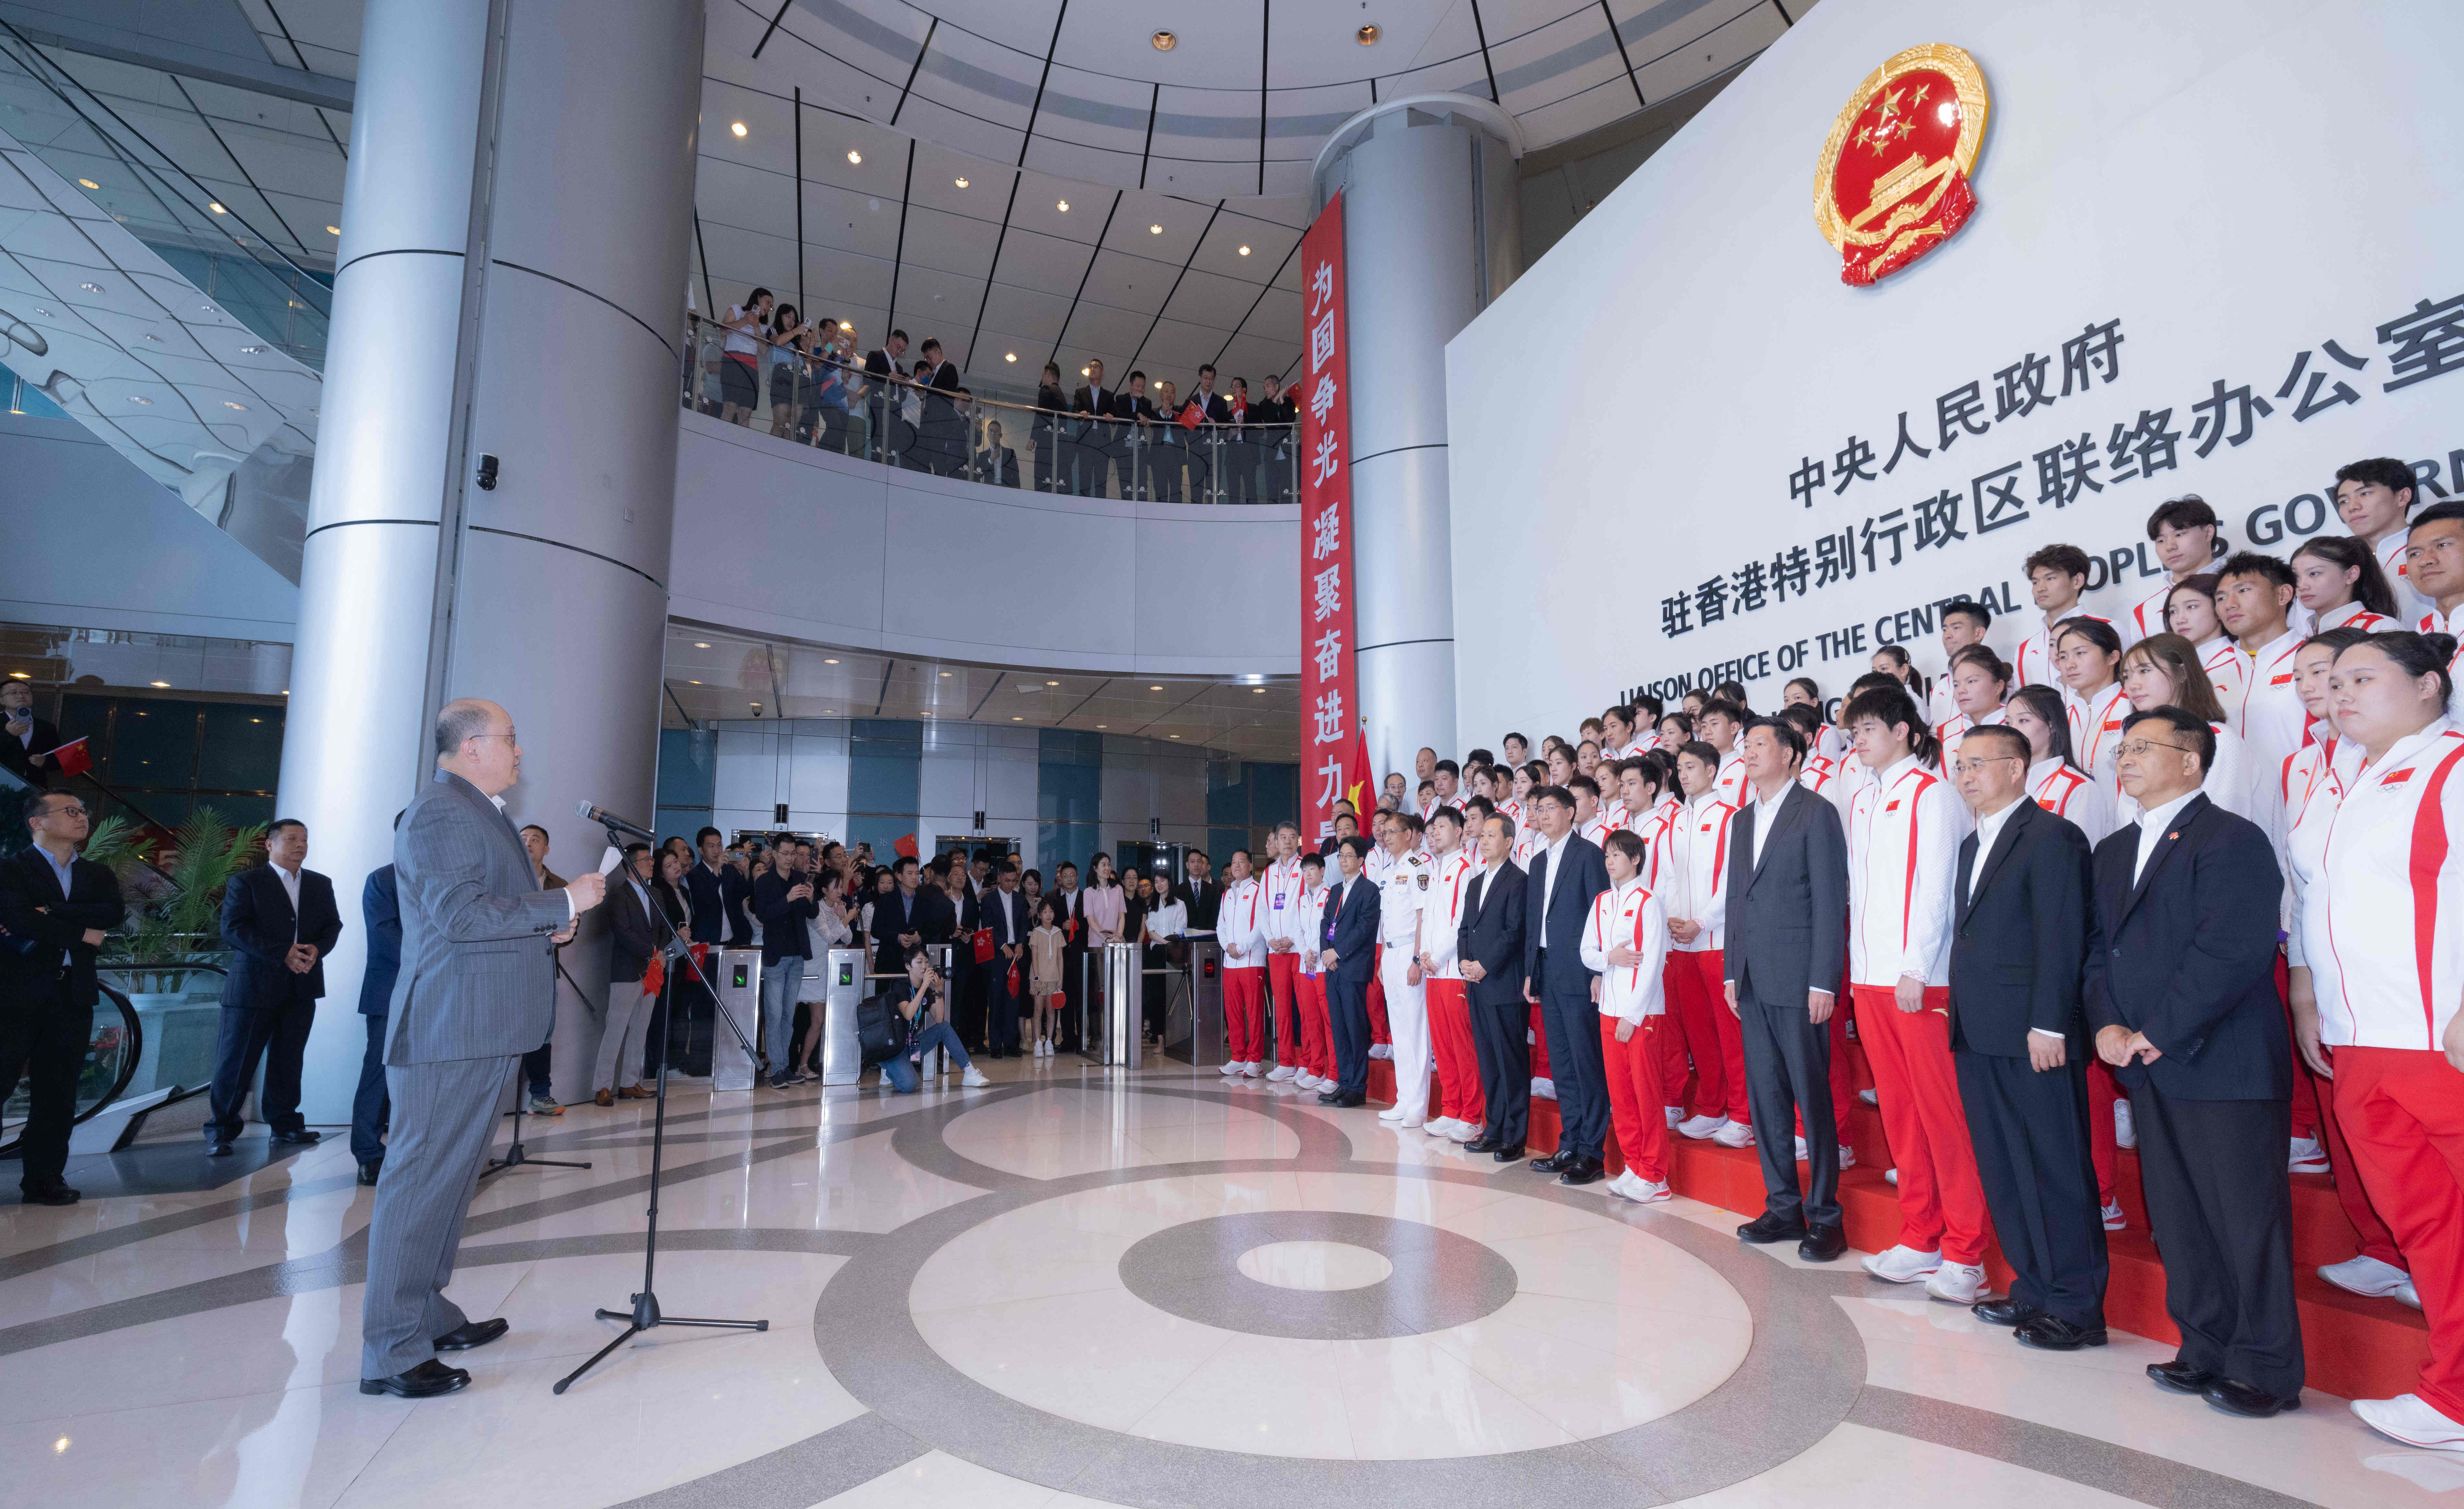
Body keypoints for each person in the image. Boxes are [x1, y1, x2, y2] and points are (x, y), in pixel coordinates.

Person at [359, 699, 607, 1400]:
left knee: (450, 1182)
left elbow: (483, 913)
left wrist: (543, 929)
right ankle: (391, 1350)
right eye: (510, 737)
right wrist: (563, 903)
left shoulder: (479, 810)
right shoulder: (441, 812)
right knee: (419, 1186)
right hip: (451, 1029)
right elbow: (460, 915)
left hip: (480, 1025)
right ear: (471, 746)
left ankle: (426, 1312)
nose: (520, 750)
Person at [2084, 706, 2299, 1419]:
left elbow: (2232, 951)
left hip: (2222, 1058)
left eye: (2143, 747)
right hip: (2148, 1059)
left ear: (2190, 759)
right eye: (2122, 748)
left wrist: (2156, 1030)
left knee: (2245, 1218)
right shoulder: (2113, 849)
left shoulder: (2231, 838)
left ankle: (2265, 1366)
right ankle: (2204, 1345)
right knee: (2178, 1215)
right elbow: (2099, 951)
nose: (2126, 758)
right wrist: (2107, 1023)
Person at [2286, 633, 2464, 1448]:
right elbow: (2311, 899)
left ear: (2428, 685)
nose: (2340, 692)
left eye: (2362, 677)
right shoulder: (2340, 780)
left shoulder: (2451, 765)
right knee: (2425, 1227)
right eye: (2334, 681)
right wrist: (2305, 993)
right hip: (2358, 1039)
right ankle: (2452, 1394)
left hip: (2437, 1040)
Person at [1947, 724, 2107, 1349]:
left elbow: (2062, 936)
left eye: (1978, 763)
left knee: (2054, 1167)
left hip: (2034, 1033)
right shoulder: (1972, 842)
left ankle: (2077, 1305)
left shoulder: (2052, 836)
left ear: (2016, 768)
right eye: (1961, 765)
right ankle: (2034, 1287)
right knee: (2005, 1164)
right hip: (1979, 1028)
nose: (1966, 776)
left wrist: (2050, 1022)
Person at [1842, 684, 1991, 1304]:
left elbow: (1938, 887)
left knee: (1942, 1115)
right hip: (1870, 978)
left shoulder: (1933, 794)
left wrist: (1917, 966)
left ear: (1904, 729)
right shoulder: (1863, 798)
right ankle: (1921, 1234)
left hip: (1921, 980)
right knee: (1901, 1114)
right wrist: (1859, 972)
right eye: (1853, 731)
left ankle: (1966, 1251)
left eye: (1868, 728)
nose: (1858, 740)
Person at [1722, 715, 1851, 1263]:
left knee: (1810, 1098)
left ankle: (1826, 1216)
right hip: (1753, 979)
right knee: (1766, 1098)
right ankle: (1782, 1206)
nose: (1749, 752)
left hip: (1800, 980)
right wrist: (1732, 970)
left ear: (1791, 754)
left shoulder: (1816, 811)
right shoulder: (1742, 820)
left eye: (1760, 744)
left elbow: (1830, 900)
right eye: (1746, 745)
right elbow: (1736, 898)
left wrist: (1824, 978)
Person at [0, 789, 124, 1204]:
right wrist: (83, 932)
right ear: (37, 822)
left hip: (73, 993)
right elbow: (18, 919)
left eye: (83, 810)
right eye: (70, 811)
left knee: (58, 1094)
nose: (82, 817)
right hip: (15, 995)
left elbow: (112, 914)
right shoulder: (11, 869)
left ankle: (45, 1179)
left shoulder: (97, 874)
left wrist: (52, 912)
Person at [205, 817, 343, 1156]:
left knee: (288, 1061)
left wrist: (317, 949)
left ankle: (285, 1125)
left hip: (301, 985)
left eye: (305, 839)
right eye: (292, 839)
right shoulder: (246, 882)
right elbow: (233, 929)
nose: (301, 845)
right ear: (270, 844)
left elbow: (332, 926)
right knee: (237, 1061)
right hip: (252, 988)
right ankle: (221, 1131)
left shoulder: (320, 883)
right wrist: (282, 953)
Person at [1657, 742, 1747, 1145]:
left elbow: (1733, 880)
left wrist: (1702, 922)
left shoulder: (1731, 816)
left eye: (1691, 767)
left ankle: (1743, 1115)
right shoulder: (1675, 821)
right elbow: (1669, 879)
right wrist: (1673, 920)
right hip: (1683, 944)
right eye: (1679, 768)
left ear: (1712, 771)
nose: (1683, 774)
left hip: (1718, 941)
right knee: (1700, 1034)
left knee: (1730, 1033)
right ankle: (1712, 1107)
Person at [1523, 784, 1612, 1185]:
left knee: (1585, 1061)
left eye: (1550, 808)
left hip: (1579, 973)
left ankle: (1592, 1152)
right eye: (1538, 809)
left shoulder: (1589, 854)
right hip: (1547, 969)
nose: (1543, 816)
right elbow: (1534, 921)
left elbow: (1600, 913)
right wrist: (1530, 970)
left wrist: (1598, 972)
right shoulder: (1538, 860)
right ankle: (1570, 1143)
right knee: (1561, 1063)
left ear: (1570, 812)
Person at [1582, 828, 1673, 1203]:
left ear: (1635, 859)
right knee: (1621, 1095)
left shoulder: (1649, 902)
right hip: (1609, 1010)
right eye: (1607, 855)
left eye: (1617, 855)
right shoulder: (1602, 900)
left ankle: (1655, 1176)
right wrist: (1610, 958)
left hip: (1641, 1014)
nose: (1609, 861)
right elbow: (1587, 952)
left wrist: (1632, 1016)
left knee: (1645, 1093)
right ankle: (1634, 1165)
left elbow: (1653, 963)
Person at [1456, 813, 1530, 1156]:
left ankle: (1515, 1137)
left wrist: (1485, 965)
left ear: (1509, 842)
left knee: (1510, 1062)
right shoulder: (1475, 882)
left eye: (1491, 835)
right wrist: (1464, 962)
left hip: (1504, 985)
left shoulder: (1519, 880)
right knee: (1488, 1061)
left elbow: (1514, 932)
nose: (1484, 841)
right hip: (1477, 985)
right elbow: (1464, 929)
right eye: (1482, 835)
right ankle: (1494, 1127)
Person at [2217, 551, 2308, 782]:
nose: (2230, 605)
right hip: (2232, 803)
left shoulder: (2317, 660)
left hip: (2304, 797)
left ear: (2283, 595)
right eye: (2221, 598)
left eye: (2243, 591)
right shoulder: (2211, 674)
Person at [1373, 815, 1435, 1128]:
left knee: (1415, 1030)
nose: (1386, 837)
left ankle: (1418, 1106)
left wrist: (1416, 959)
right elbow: (1386, 920)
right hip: (1391, 953)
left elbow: (1423, 916)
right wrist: (1384, 958)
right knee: (1398, 1031)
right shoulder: (1388, 871)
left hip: (1410, 950)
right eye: (1383, 832)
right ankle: (1404, 1099)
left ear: (1409, 834)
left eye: (1392, 832)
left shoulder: (1417, 868)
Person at [591, 845, 660, 1105]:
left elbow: (663, 928)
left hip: (654, 970)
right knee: (616, 1029)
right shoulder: (619, 896)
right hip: (627, 970)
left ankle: (630, 1082)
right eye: (646, 859)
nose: (652, 863)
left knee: (641, 1028)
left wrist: (662, 952)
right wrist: (653, 952)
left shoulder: (656, 894)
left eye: (652, 859)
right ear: (631, 865)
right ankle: (602, 1086)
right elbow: (623, 932)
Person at [353, 832, 403, 1185]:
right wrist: (436, 960)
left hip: (436, 993)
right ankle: (368, 1153)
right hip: (390, 992)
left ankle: (409, 1151)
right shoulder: (382, 879)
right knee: (379, 1074)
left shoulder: (442, 878)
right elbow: (386, 936)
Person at [1317, 835, 1380, 1106]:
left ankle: (1357, 1087)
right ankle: (1343, 1083)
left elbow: (1364, 929)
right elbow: (1326, 924)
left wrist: (1338, 953)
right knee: (1339, 1028)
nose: (1343, 860)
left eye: (1348, 856)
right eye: (1340, 856)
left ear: (1361, 860)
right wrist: (1326, 952)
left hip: (1353, 968)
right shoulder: (1335, 890)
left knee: (1355, 1027)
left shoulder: (1370, 890)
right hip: (1333, 968)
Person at [753, 839, 817, 1087]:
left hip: (798, 954)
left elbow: (812, 914)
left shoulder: (801, 878)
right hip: (776, 956)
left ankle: (785, 1067)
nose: (790, 858)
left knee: (788, 1015)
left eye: (794, 854)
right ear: (775, 855)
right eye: (786, 854)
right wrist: (788, 899)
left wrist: (811, 900)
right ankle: (777, 1068)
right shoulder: (765, 881)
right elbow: (763, 915)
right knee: (774, 1013)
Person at [2016, 544, 2127, 687]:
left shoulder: (2110, 628)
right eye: (2035, 582)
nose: (2040, 588)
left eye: (2050, 579)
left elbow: (2127, 683)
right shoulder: (2025, 650)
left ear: (2077, 581)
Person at [877, 954, 991, 1092]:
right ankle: (889, 1068)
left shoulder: (926, 991)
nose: (924, 966)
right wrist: (925, 985)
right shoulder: (899, 985)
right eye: (919, 962)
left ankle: (970, 1073)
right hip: (893, 1049)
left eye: (926, 962)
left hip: (911, 1048)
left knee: (944, 1028)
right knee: (909, 1086)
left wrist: (939, 989)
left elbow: (939, 1019)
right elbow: (908, 1015)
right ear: (908, 966)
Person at [2336, 456, 2428, 624]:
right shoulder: (2338, 562)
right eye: (2344, 501)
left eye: (2365, 494)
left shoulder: (2432, 551)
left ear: (2403, 497)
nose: (2352, 507)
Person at [517, 824, 566, 1113]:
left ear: (546, 849)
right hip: (509, 969)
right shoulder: (504, 878)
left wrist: (566, 933)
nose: (528, 843)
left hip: (545, 969)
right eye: (523, 838)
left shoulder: (560, 885)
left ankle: (540, 1094)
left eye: (535, 839)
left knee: (542, 1032)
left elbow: (572, 926)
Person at [2131, 496, 2224, 642]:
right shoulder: (2144, 612)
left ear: (2208, 533)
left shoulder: (2242, 586)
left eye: (2179, 535)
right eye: (2161, 540)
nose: (2170, 547)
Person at [2054, 616, 2132, 790]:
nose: (2070, 665)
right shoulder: (2061, 716)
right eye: (2063, 657)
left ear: (2112, 657)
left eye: (2080, 653)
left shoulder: (2133, 707)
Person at [1215, 850, 1268, 1077]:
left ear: (1250, 866)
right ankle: (1238, 1057)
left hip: (1252, 960)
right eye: (1234, 862)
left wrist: (1242, 948)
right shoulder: (1227, 895)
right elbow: (1221, 926)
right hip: (1230, 962)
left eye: (1241, 862)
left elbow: (1261, 925)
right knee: (1233, 1011)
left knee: (1254, 1012)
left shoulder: (1259, 890)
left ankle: (1255, 1060)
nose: (1236, 866)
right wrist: (1228, 947)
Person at [1260, 824, 1307, 1080]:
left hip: (1299, 949)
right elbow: (1263, 911)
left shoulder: (1305, 868)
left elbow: (1308, 907)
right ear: (1276, 842)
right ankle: (1287, 1062)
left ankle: (1307, 1063)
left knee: (1305, 1007)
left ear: (1298, 841)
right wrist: (1271, 940)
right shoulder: (1269, 873)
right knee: (1283, 1008)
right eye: (1283, 838)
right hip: (1276, 951)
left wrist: (1291, 938)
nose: (1288, 842)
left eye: (1292, 838)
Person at [2291, 534, 2399, 634]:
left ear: (2351, 575)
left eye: (2314, 574)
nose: (2301, 586)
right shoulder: (2301, 637)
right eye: (2296, 577)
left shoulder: (2380, 628)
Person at [982, 861, 1026, 1059]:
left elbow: (1024, 924)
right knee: (997, 998)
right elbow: (988, 926)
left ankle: (1010, 1044)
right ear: (999, 879)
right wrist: (1002, 945)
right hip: (997, 955)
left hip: (1016, 953)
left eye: (1014, 881)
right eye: (1007, 881)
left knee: (1013, 998)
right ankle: (995, 1045)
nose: (1011, 884)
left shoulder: (1020, 899)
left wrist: (1021, 944)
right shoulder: (989, 899)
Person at [1929, 601, 1994, 729]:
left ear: (1979, 633)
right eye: (1945, 630)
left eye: (1956, 628)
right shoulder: (1938, 689)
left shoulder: (1995, 676)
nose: (1947, 636)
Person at [685, 826, 751, 948]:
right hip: (708, 941)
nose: (717, 851)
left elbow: (745, 894)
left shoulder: (729, 870)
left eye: (719, 845)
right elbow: (707, 900)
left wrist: (746, 872)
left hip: (734, 938)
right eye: (711, 846)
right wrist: (716, 869)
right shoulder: (694, 875)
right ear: (701, 850)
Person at [1935, 643, 2009, 747]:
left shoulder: (2019, 726)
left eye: (1971, 681)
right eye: (1956, 685)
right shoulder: (1943, 734)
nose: (1961, 691)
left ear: (1999, 687)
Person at [717, 288, 771, 424]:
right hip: (733, 362)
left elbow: (764, 351)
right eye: (768, 302)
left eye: (771, 306)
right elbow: (723, 330)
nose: (769, 308)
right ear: (758, 298)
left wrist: (757, 328)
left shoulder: (763, 326)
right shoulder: (737, 310)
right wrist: (745, 321)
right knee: (730, 408)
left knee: (746, 414)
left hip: (752, 368)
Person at [0, 679, 60, 788]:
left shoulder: (47, 727)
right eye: (13, 693)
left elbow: (58, 761)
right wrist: (8, 735)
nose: (21, 696)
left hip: (35, 789)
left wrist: (45, 762)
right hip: (4, 788)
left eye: (26, 692)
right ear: (2, 700)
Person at [1027, 896, 1066, 1058]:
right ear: (1039, 915)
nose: (1048, 914)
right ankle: (1038, 1043)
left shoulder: (1058, 933)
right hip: (1039, 978)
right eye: (1045, 912)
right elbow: (1034, 957)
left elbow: (1060, 958)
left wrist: (1061, 979)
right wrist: (1037, 978)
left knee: (1051, 1011)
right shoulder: (1036, 933)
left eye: (1051, 911)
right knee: (1038, 1010)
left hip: (1053, 978)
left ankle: (1049, 1042)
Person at [974, 419, 1023, 487]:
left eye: (997, 431)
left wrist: (1017, 492)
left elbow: (1016, 476)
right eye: (991, 431)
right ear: (987, 435)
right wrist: (990, 460)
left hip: (1007, 489)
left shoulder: (1010, 453)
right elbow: (978, 476)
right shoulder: (982, 455)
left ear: (1001, 435)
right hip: (989, 489)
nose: (993, 433)